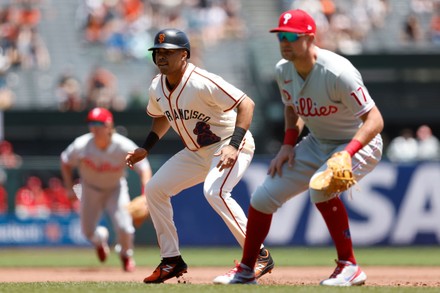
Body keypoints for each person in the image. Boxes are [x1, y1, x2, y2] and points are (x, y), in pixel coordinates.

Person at [215, 9, 384, 286]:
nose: (284, 42)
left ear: (310, 39)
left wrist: (347, 152)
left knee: (321, 188)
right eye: (281, 36)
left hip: (358, 142)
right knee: (261, 198)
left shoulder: (338, 72)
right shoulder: (284, 70)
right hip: (317, 142)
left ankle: (349, 266)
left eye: (292, 36)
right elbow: (293, 108)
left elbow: (375, 119)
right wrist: (287, 146)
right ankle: (247, 269)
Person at [125, 28, 274, 284]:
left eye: (168, 52)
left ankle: (258, 255)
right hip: (197, 152)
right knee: (155, 189)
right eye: (158, 52)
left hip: (230, 144)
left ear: (184, 55)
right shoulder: (156, 86)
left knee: (214, 191)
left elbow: (246, 104)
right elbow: (161, 116)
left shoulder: (202, 81)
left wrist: (233, 144)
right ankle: (171, 260)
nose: (161, 57)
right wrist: (146, 148)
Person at [60, 107, 152, 272]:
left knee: (125, 228)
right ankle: (100, 240)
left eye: (98, 123)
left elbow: (144, 167)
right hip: (89, 189)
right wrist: (68, 188)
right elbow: (65, 160)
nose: (94, 127)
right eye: (91, 123)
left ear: (109, 125)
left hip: (115, 189)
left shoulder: (123, 145)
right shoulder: (81, 144)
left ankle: (126, 255)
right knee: (88, 232)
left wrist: (146, 195)